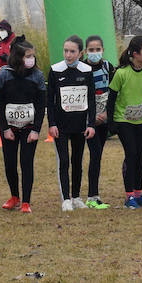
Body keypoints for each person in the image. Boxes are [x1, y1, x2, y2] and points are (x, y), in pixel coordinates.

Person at [0, 40, 47, 213]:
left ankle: (26, 201)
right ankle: (14, 196)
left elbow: (41, 106)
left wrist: (36, 130)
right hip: (9, 129)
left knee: (26, 163)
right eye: (28, 56)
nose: (31, 59)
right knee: (10, 163)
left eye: (33, 55)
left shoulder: (37, 76)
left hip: (29, 128)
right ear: (18, 57)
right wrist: (5, 128)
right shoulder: (4, 74)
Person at [110, 36, 142, 209]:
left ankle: (139, 194)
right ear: (135, 54)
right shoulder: (121, 73)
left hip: (141, 120)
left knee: (140, 156)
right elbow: (112, 99)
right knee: (131, 154)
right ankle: (129, 196)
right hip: (123, 120)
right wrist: (111, 123)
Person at [47, 36, 96, 211]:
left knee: (77, 160)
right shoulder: (55, 70)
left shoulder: (87, 71)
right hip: (60, 126)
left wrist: (91, 124)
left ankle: (76, 197)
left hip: (80, 125)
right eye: (65, 51)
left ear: (80, 53)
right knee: (64, 161)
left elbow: (91, 99)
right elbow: (50, 101)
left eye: (72, 51)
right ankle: (65, 199)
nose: (68, 54)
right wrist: (51, 124)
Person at [81, 35, 114, 209]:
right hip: (88, 122)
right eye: (91, 50)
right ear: (86, 51)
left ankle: (95, 195)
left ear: (103, 50)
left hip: (105, 119)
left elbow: (114, 92)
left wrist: (107, 114)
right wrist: (90, 118)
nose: (94, 53)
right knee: (94, 156)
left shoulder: (109, 67)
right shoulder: (81, 69)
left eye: (98, 49)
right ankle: (91, 197)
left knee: (98, 156)